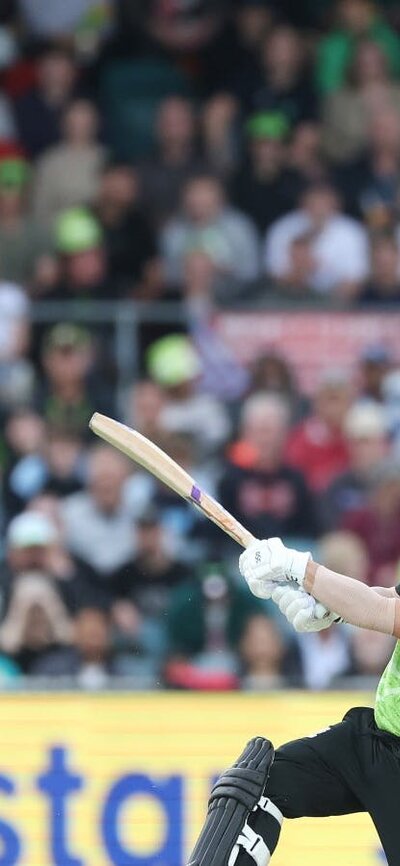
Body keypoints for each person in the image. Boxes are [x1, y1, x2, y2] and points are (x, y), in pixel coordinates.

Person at [189, 534, 400, 866]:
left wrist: (300, 569)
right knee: (252, 788)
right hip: (375, 738)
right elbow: (389, 596)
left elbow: (383, 611)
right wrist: (332, 608)